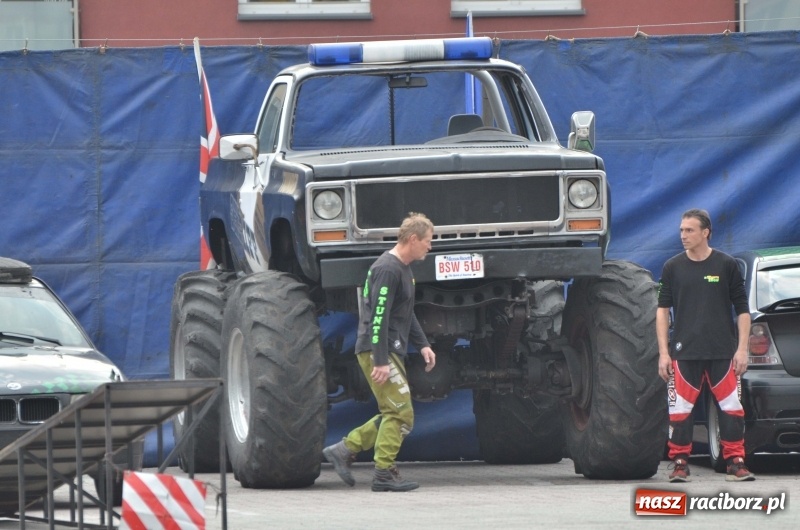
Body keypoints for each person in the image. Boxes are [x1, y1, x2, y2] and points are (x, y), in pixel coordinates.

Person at [323, 212, 437, 492]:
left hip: (389, 349)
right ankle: (383, 473)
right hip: (378, 350)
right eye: (427, 241)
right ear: (412, 239)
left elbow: (406, 314)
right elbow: (379, 317)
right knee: (400, 413)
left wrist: (423, 344)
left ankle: (344, 449)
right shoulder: (388, 269)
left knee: (394, 411)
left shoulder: (403, 269)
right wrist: (381, 360)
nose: (430, 247)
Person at [656, 208, 755, 483]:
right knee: (680, 411)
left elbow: (743, 311)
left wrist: (742, 349)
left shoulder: (726, 264)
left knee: (732, 409)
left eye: (689, 230)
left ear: (705, 233)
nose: (683, 235)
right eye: (681, 230)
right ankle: (679, 463)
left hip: (723, 352)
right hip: (684, 353)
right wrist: (663, 353)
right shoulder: (672, 267)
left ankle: (735, 462)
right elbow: (662, 311)